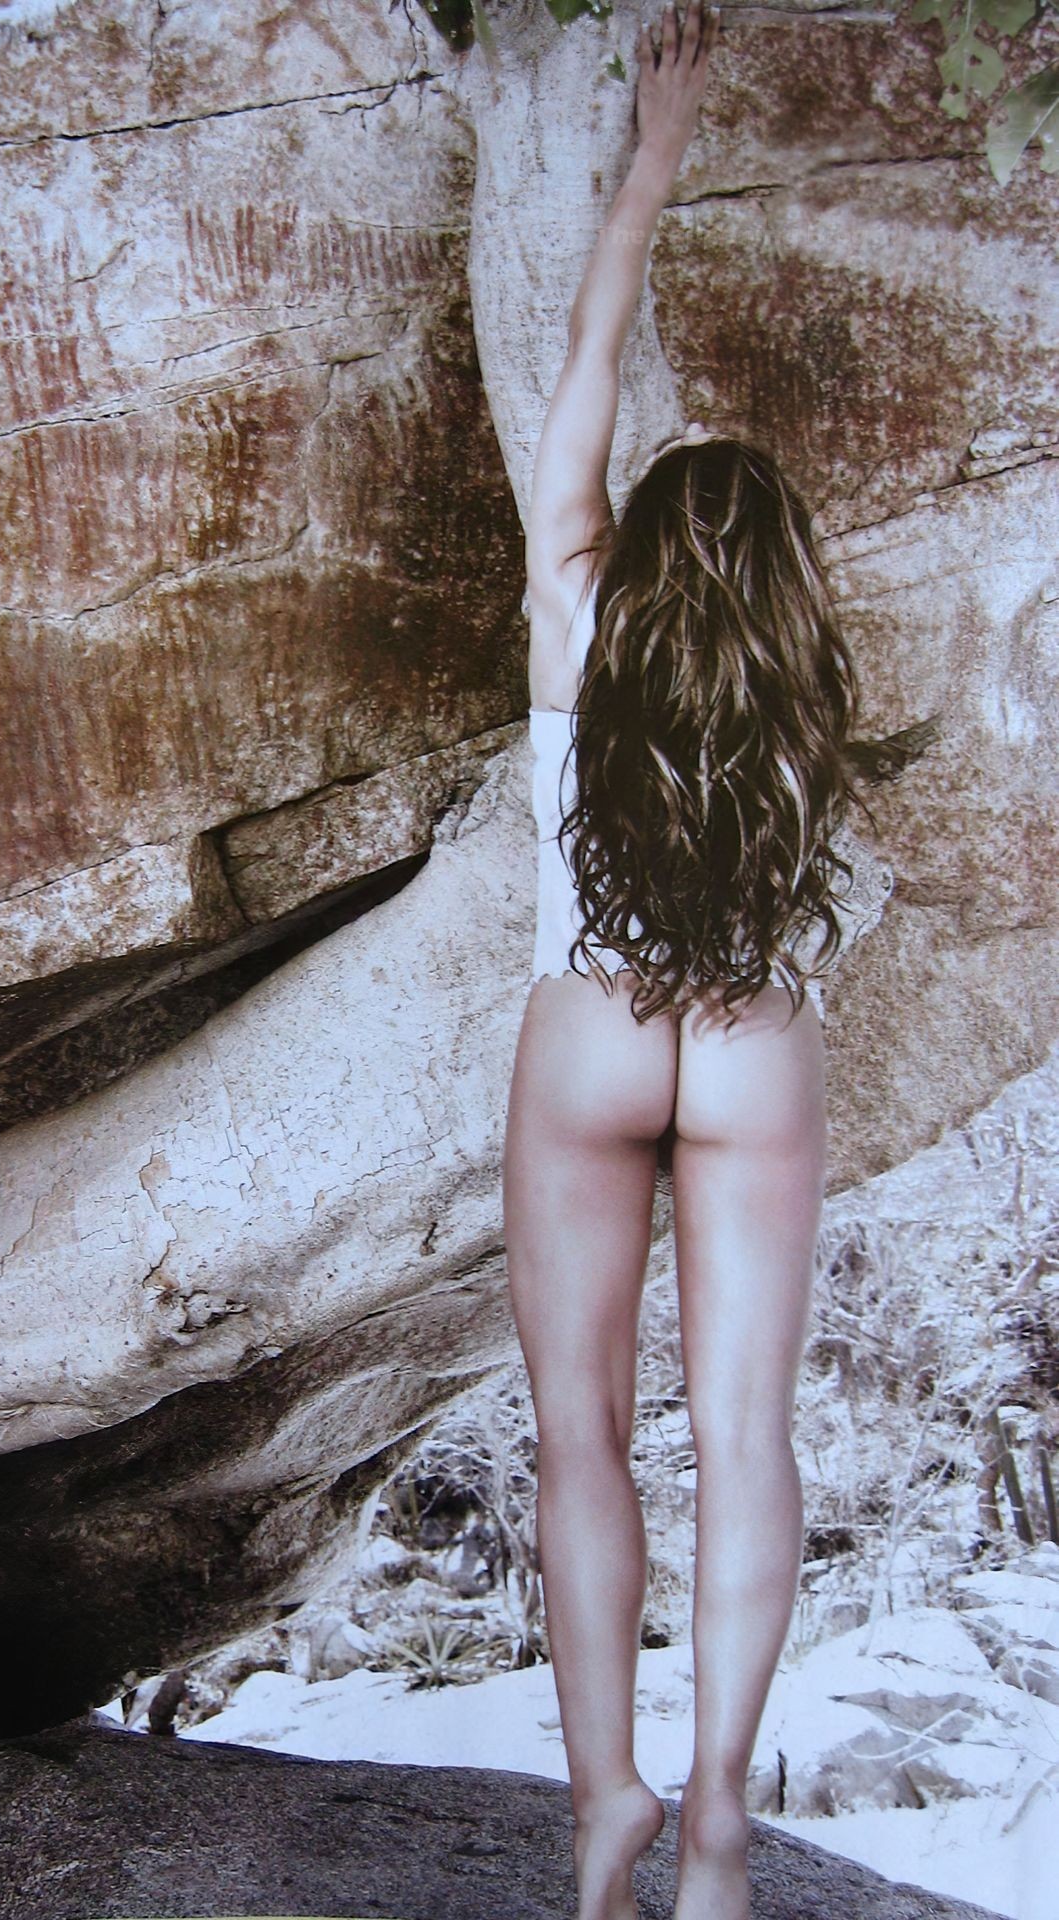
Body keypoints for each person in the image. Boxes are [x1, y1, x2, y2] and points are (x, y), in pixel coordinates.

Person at [502, 7, 932, 1918]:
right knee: (744, 1438)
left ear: (649, 543)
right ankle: (723, 1826)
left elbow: (585, 365)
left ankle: (606, 1800)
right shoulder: (795, 692)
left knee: (580, 1436)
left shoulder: (579, 606)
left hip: (590, 1019)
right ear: (782, 584)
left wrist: (654, 155)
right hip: (753, 1035)